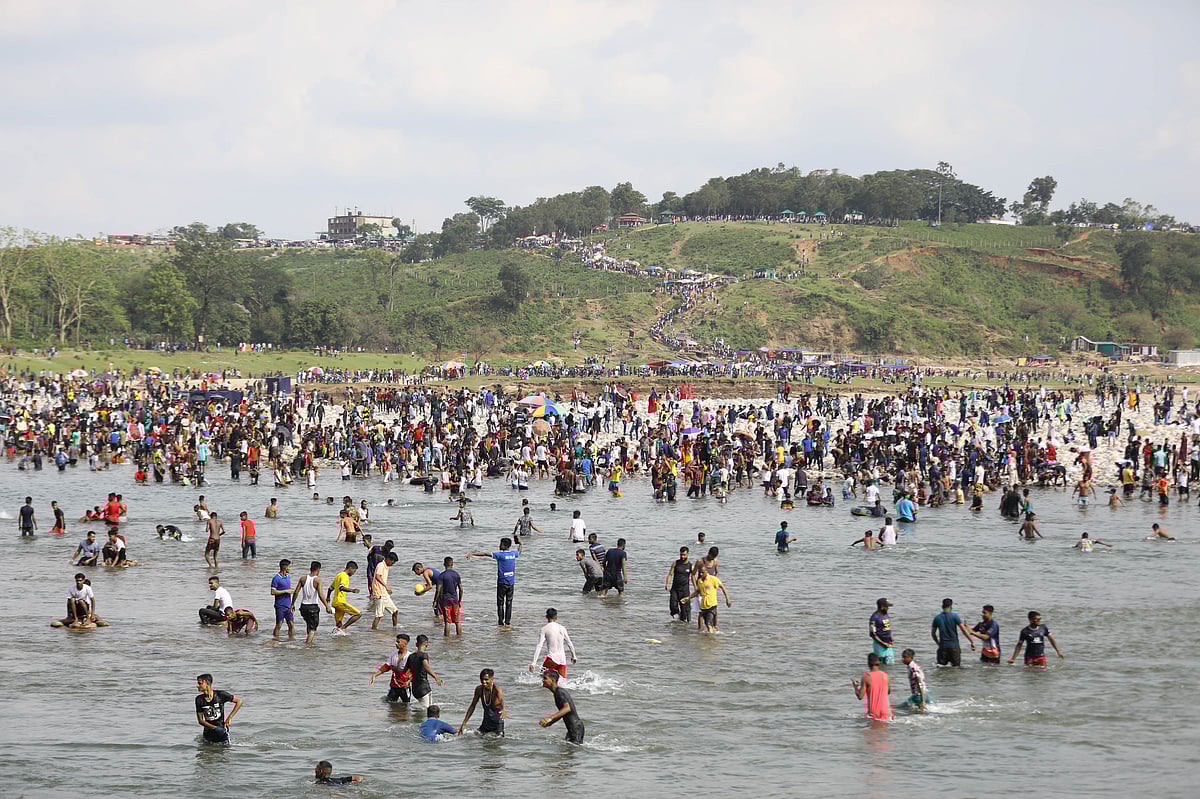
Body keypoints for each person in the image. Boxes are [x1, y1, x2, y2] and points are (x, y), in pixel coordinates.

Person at [469, 537, 521, 628]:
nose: (499, 546)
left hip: (502, 582)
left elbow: (485, 554)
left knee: (500, 603)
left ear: (504, 546)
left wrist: (472, 553)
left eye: (500, 544)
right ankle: (508, 623)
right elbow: (520, 551)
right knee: (509, 603)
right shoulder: (513, 554)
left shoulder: (500, 555)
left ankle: (501, 622)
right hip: (511, 582)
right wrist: (520, 543)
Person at [292, 560, 333, 644]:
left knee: (309, 624)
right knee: (312, 629)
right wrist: (327, 606)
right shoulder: (318, 580)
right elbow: (321, 595)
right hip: (313, 607)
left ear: (310, 568)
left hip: (303, 607)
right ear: (318, 570)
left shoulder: (303, 579)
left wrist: (292, 604)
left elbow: (296, 592)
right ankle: (307, 646)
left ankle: (308, 642)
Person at [529, 607, 577, 678]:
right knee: (562, 684)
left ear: (546, 617)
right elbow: (569, 643)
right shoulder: (562, 628)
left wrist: (534, 663)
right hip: (562, 660)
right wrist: (574, 656)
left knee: (542, 679)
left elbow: (539, 646)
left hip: (551, 659)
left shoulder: (544, 629)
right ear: (556, 617)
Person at [539, 669, 584, 743]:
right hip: (573, 727)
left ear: (553, 680)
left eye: (545, 678)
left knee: (574, 750)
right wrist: (551, 722)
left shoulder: (559, 692)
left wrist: (550, 718)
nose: (543, 680)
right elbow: (563, 713)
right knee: (568, 750)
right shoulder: (557, 692)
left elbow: (567, 708)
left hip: (575, 727)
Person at [194, 674, 242, 743]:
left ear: (206, 683)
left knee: (224, 751)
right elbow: (200, 720)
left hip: (221, 732)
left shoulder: (220, 695)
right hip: (208, 733)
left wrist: (229, 718)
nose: (198, 686)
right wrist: (215, 728)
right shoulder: (199, 699)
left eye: (200, 683)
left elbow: (239, 701)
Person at [459, 668, 506, 736]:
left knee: (497, 742)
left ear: (492, 679)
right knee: (476, 739)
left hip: (497, 724)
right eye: (482, 679)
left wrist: (504, 710)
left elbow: (502, 702)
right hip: (486, 724)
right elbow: (472, 706)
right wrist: (464, 724)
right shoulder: (479, 689)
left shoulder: (497, 690)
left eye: (486, 679)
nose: (484, 682)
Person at [931, 597, 975, 667]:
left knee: (941, 669)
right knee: (956, 669)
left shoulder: (937, 618)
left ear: (942, 606)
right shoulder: (955, 616)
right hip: (954, 648)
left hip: (943, 648)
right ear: (951, 606)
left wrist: (938, 643)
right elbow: (963, 630)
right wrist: (971, 641)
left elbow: (933, 634)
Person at [370, 633, 412, 702]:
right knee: (390, 705)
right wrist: (375, 675)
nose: (396, 643)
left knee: (406, 706)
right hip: (394, 686)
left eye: (398, 642)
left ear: (405, 643)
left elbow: (415, 672)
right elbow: (387, 666)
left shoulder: (410, 656)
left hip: (405, 687)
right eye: (396, 641)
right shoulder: (394, 654)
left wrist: (409, 681)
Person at [851, 653, 892, 721]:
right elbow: (888, 692)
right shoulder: (885, 675)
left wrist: (855, 687)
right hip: (887, 711)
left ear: (868, 663)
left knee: (873, 731)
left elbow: (860, 696)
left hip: (874, 712)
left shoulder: (866, 677)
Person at [406, 634, 443, 709]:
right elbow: (426, 667)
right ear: (426, 644)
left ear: (416, 644)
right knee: (427, 711)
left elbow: (405, 670)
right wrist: (436, 677)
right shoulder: (423, 655)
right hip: (423, 687)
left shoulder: (411, 656)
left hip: (415, 689)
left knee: (421, 710)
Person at [327, 561, 362, 635]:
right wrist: (352, 590)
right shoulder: (344, 576)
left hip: (335, 602)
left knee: (338, 624)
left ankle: (338, 641)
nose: (353, 573)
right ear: (350, 568)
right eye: (354, 571)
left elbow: (330, 588)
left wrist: (328, 598)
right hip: (340, 602)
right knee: (358, 614)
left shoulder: (338, 575)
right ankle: (344, 627)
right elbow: (341, 588)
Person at [369, 552, 400, 630]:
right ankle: (373, 631)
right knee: (379, 615)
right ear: (388, 559)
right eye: (393, 562)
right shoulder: (381, 565)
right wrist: (386, 586)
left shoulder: (386, 567)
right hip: (379, 594)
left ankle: (395, 628)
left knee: (395, 611)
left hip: (384, 593)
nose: (393, 564)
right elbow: (377, 576)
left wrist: (386, 589)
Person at [435, 556, 463, 636]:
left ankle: (446, 640)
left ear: (444, 564)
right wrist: (459, 600)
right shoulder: (456, 575)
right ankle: (459, 639)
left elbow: (438, 589)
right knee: (457, 621)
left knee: (447, 622)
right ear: (452, 564)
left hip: (446, 600)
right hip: (455, 600)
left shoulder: (442, 575)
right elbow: (461, 589)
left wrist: (435, 601)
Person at [665, 546, 692, 622]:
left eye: (684, 555)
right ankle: (677, 615)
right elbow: (670, 574)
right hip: (675, 589)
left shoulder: (690, 565)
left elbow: (693, 577)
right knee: (673, 606)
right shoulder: (675, 563)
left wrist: (697, 588)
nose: (682, 557)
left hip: (685, 590)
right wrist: (667, 584)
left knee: (685, 611)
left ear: (687, 554)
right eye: (681, 555)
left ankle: (682, 628)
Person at [270, 559, 295, 639]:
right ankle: (275, 639)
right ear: (285, 567)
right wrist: (285, 591)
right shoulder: (276, 578)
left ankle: (291, 640)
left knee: (291, 624)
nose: (290, 568)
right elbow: (273, 592)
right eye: (289, 567)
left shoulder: (288, 577)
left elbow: (287, 589)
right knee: (279, 624)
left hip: (288, 605)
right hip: (280, 605)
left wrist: (292, 604)